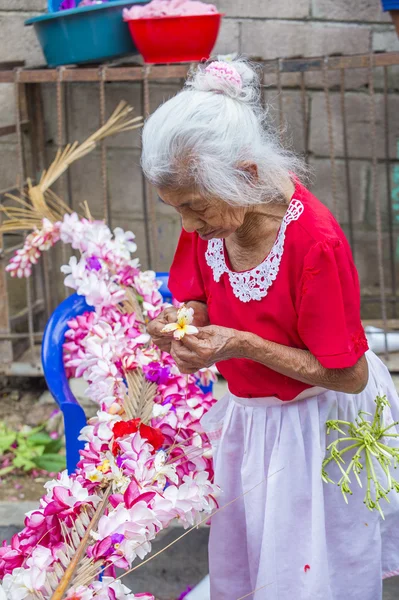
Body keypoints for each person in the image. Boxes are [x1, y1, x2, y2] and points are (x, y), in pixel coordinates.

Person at [142, 57, 399, 600]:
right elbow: (199, 296)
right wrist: (183, 324)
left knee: (314, 571)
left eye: (193, 208)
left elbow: (348, 375)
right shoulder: (215, 218)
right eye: (176, 211)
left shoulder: (314, 244)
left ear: (247, 175)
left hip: (317, 423)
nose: (188, 227)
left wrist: (239, 344)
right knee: (260, 561)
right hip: (255, 418)